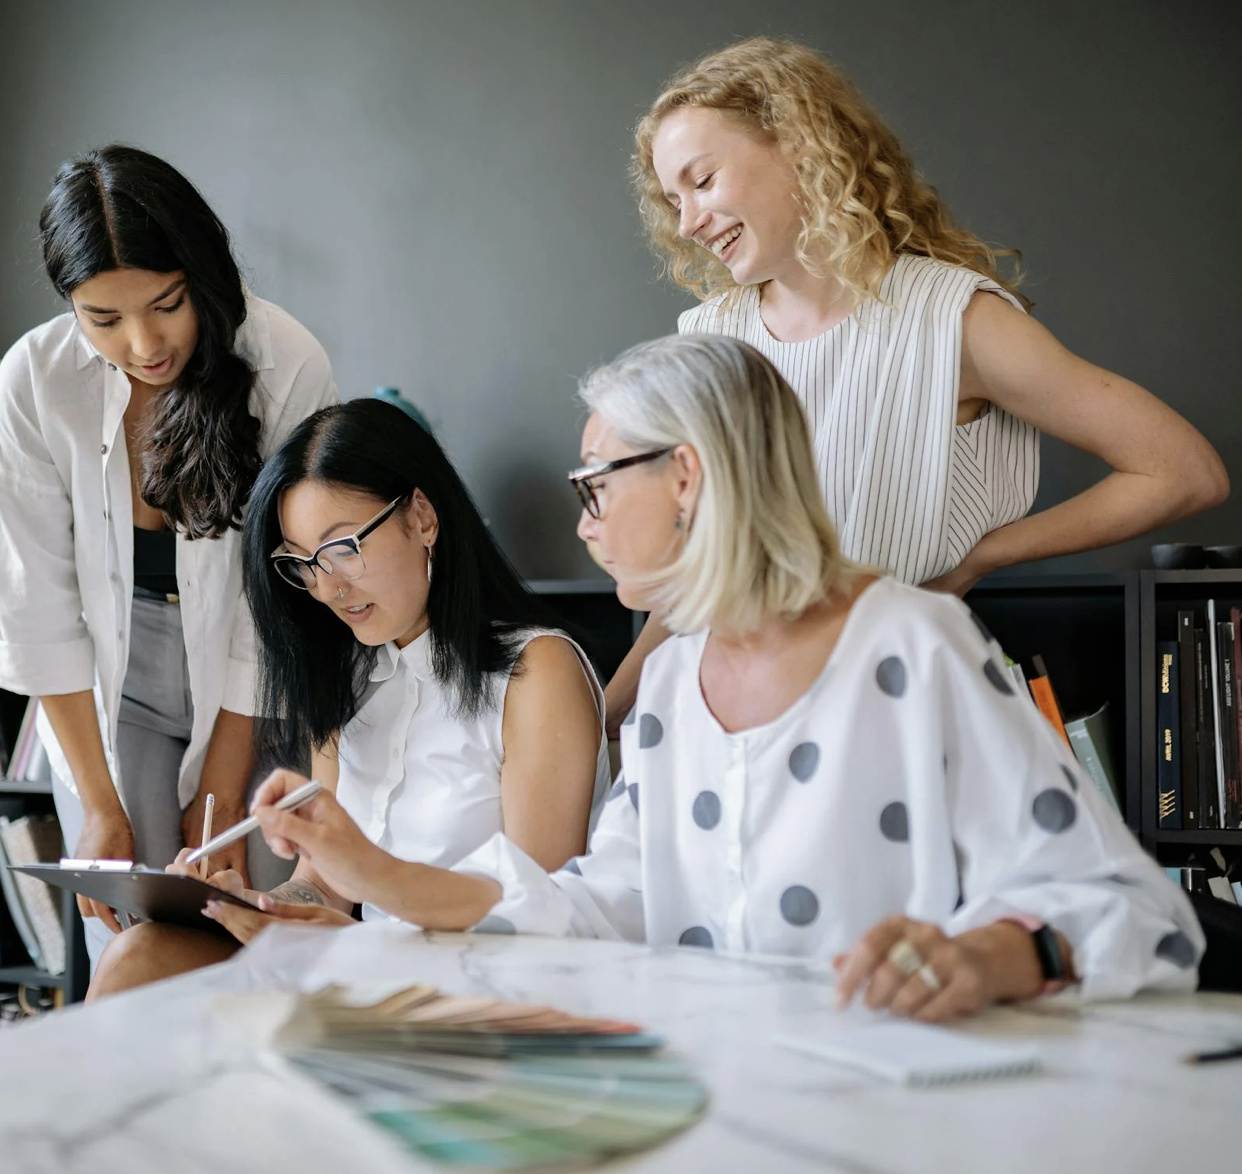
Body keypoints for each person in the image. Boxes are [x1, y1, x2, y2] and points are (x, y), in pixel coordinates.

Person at [239, 335, 1204, 1021]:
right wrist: (369, 875)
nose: (583, 523)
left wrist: (989, 954)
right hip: (719, 1098)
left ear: (687, 477)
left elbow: (1136, 911)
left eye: (596, 486)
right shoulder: (669, 688)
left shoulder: (914, 644)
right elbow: (596, 901)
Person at [600, 37, 1227, 729]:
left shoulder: (956, 323)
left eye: (702, 181)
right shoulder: (706, 341)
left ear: (798, 145)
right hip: (721, 720)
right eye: (673, 200)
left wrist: (981, 557)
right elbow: (696, 582)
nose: (687, 223)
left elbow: (1183, 472)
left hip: (884, 713)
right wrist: (604, 721)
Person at [87, 399, 612, 996]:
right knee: (140, 952)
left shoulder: (536, 670)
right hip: (368, 964)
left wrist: (359, 939)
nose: (328, 587)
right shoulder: (347, 676)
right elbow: (320, 884)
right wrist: (250, 905)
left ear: (422, 518)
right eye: (304, 563)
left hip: (484, 980)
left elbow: (536, 910)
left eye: (343, 549)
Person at [0, 146, 339, 957]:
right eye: (103, 319)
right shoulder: (35, 379)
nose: (144, 343)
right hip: (118, 683)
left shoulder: (286, 361)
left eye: (166, 305)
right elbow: (34, 608)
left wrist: (221, 788)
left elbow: (273, 597)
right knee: (132, 929)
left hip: (261, 681)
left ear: (201, 275)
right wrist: (97, 803)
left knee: (254, 925)